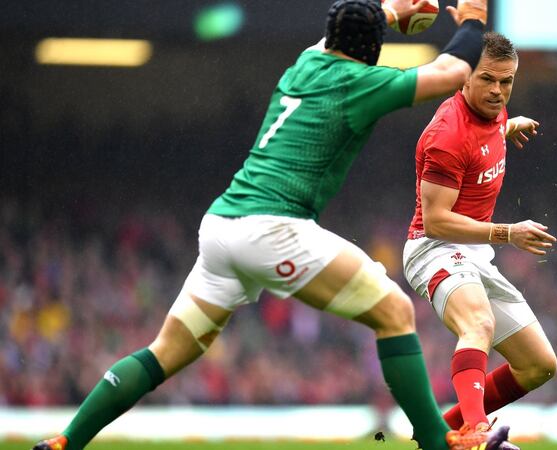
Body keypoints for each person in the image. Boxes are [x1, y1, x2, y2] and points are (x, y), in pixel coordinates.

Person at [31, 1, 514, 450]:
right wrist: (471, 22)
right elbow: (452, 71)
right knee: (394, 312)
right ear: (371, 50)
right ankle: (439, 442)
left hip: (221, 227)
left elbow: (343, 33)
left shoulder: (304, 64)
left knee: (165, 352)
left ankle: (65, 442)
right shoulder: (359, 84)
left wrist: (388, 11)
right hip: (274, 228)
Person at [402, 31, 557, 438]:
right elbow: (436, 220)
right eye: (488, 79)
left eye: (506, 82)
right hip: (433, 248)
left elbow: (488, 132)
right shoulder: (447, 135)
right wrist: (508, 233)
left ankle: (441, 436)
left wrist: (510, 125)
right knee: (479, 324)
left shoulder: (496, 113)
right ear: (465, 76)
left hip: (473, 251)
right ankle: (474, 431)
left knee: (539, 364)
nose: (497, 91)